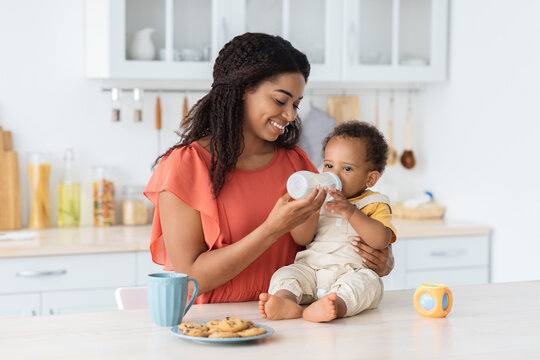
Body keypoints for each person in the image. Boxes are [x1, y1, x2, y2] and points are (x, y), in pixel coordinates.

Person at [144, 32, 394, 304]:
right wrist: (271, 229)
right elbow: (190, 278)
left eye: (296, 104)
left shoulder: (296, 163)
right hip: (216, 328)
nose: (290, 115)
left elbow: (331, 236)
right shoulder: (186, 165)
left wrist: (382, 257)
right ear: (241, 90)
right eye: (280, 100)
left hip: (295, 320)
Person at [259, 121, 397, 322]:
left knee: (368, 283)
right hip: (313, 270)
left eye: (347, 169)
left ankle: (335, 305)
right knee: (286, 273)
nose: (333, 174)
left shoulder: (374, 203)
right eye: (329, 165)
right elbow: (301, 238)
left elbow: (380, 241)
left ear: (370, 179)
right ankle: (285, 300)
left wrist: (351, 212)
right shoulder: (319, 200)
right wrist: (311, 211)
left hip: (350, 272)